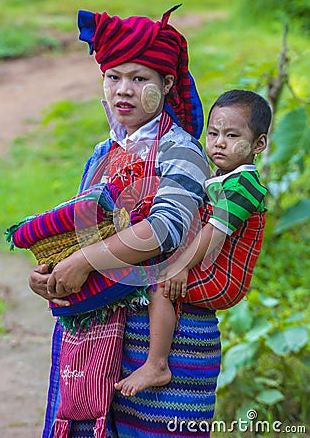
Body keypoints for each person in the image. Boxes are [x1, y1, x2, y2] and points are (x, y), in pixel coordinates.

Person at [28, 5, 221, 438]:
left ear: (167, 84)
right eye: (113, 77)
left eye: (139, 79)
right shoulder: (102, 154)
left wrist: (85, 263)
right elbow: (81, 231)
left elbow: (163, 229)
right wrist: (53, 273)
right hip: (97, 345)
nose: (123, 90)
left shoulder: (182, 152)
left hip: (171, 346)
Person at [114, 89, 272, 397]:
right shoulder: (223, 177)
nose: (219, 142)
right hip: (211, 261)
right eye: (213, 133)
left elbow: (214, 232)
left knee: (160, 285)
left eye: (231, 135)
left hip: (224, 276)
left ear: (259, 144)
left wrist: (180, 266)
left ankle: (157, 364)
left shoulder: (244, 185)